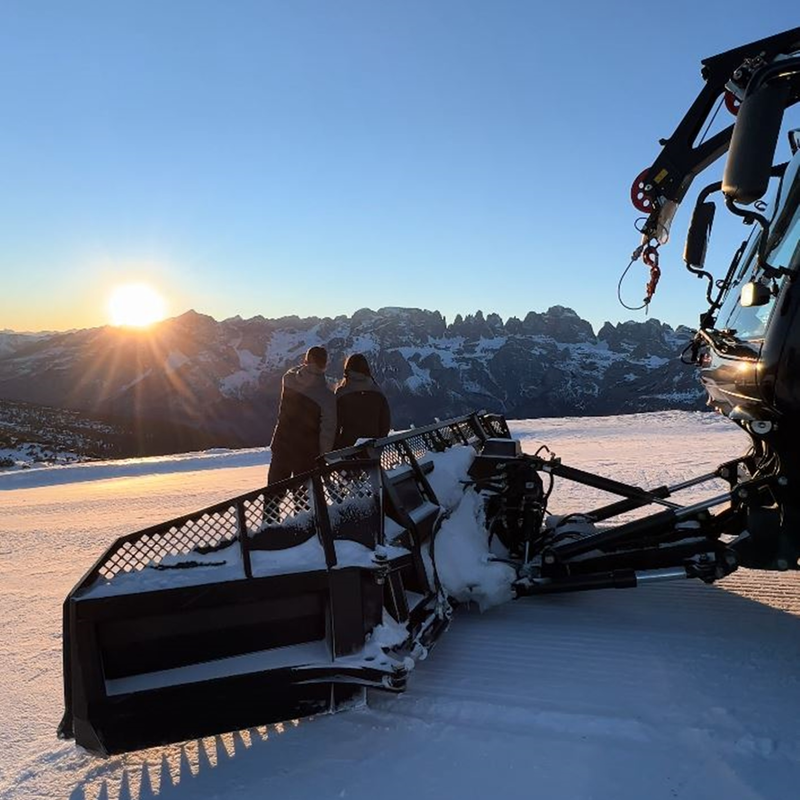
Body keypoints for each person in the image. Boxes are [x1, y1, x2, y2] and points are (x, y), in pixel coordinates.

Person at [268, 346, 336, 484]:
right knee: (305, 497)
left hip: (282, 443)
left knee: (274, 492)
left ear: (306, 360)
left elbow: (293, 372)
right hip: (307, 451)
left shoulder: (288, 380)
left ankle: (271, 506)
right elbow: (327, 431)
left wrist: (307, 365)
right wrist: (323, 455)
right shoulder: (327, 396)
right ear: (325, 364)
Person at [334, 353, 391, 448]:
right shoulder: (377, 392)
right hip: (373, 451)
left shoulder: (341, 394)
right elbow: (385, 424)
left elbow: (334, 425)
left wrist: (337, 447)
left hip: (347, 451)